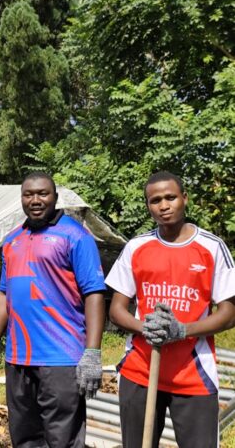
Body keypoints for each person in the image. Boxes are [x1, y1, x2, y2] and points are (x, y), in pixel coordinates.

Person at [106, 170, 235, 448]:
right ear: (148, 206)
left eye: (170, 197)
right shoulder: (136, 247)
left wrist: (182, 330)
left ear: (184, 198)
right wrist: (144, 327)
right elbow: (116, 310)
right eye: (155, 201)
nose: (164, 206)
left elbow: (229, 314)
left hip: (193, 375)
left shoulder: (212, 247)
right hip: (140, 371)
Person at [0, 171, 106, 448]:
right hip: (18, 358)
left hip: (61, 357)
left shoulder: (75, 236)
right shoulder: (12, 240)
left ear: (55, 198)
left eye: (43, 194)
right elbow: (4, 295)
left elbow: (94, 293)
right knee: (24, 437)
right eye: (28, 194)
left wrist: (93, 352)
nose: (35, 200)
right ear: (21, 199)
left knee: (62, 438)